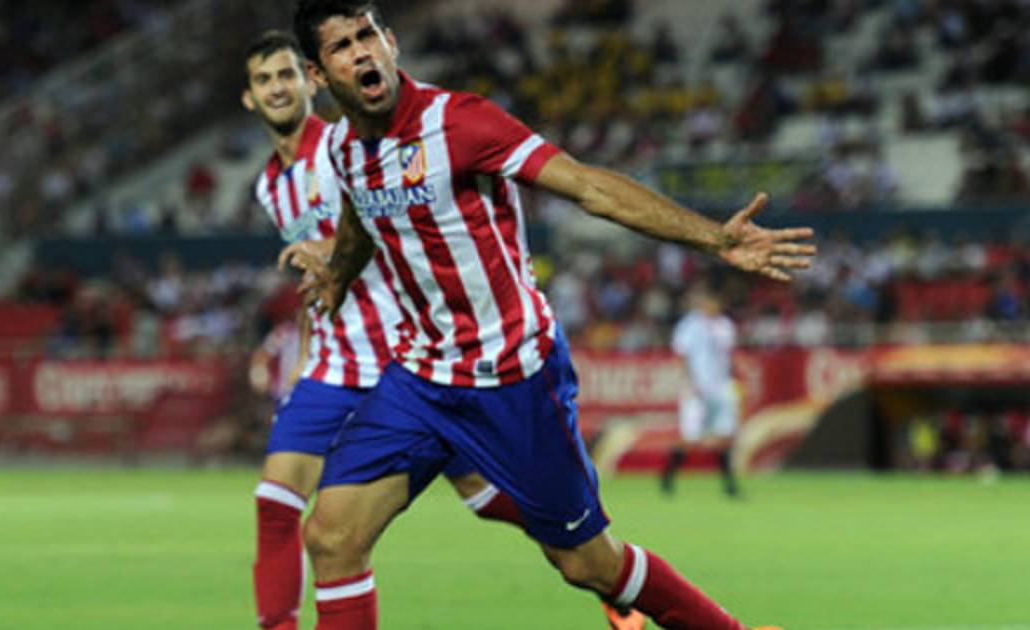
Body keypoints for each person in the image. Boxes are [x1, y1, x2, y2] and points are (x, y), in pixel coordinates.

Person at [291, 2, 812, 628]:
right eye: (342, 46)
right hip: (420, 379)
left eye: (367, 36)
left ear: (391, 42)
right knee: (331, 537)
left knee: (588, 564)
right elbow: (363, 214)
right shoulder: (344, 149)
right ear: (318, 75)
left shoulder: (459, 122)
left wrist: (715, 238)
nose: (362, 53)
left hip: (512, 378)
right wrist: (339, 272)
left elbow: (590, 187)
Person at [239, 32, 603, 630]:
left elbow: (383, 236)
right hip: (334, 366)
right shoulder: (268, 186)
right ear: (249, 97)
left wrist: (331, 249)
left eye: (285, 75)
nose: (277, 88)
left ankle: (593, 560)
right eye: (263, 80)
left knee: (488, 499)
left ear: (309, 81)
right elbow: (318, 284)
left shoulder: (343, 147)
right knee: (278, 503)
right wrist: (305, 358)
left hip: (404, 357)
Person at [661, 289, 742, 497]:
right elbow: (681, 356)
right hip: (697, 388)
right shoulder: (690, 325)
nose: (712, 305)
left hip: (721, 387)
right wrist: (688, 382)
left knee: (725, 436)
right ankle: (668, 476)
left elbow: (728, 357)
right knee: (691, 439)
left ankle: (730, 485)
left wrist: (733, 378)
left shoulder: (726, 326)